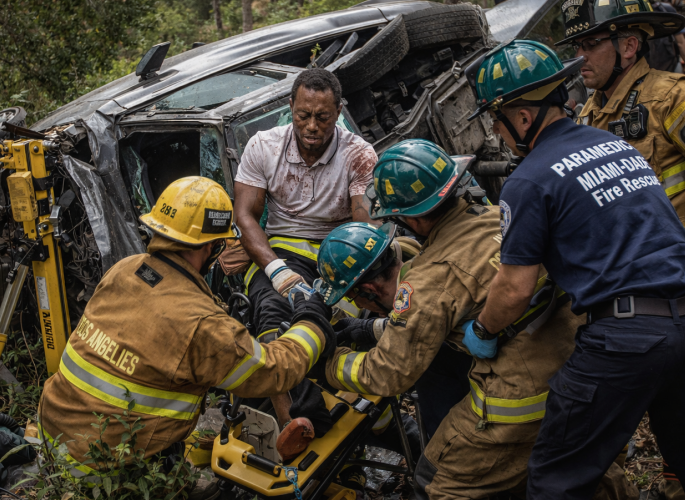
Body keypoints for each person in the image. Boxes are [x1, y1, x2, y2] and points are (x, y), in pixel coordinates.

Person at [466, 40, 685, 499]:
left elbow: (515, 289)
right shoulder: (615, 145)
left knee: (557, 480)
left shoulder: (528, 180)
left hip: (628, 340)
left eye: (496, 121)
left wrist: (483, 329)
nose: (496, 133)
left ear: (522, 117)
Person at [318, 138, 638, 500]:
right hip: (589, 364)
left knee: (435, 481)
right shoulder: (500, 216)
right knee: (584, 468)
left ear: (413, 218)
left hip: (527, 396)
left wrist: (329, 364)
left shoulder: (430, 277)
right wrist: (369, 328)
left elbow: (389, 372)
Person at [38, 177, 335, 482]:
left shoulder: (125, 268)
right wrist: (312, 320)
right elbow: (274, 371)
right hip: (105, 472)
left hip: (51, 434)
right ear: (212, 246)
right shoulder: (202, 325)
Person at [564, 0, 685, 364]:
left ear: (628, 46)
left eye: (590, 45)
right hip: (625, 302)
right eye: (576, 47)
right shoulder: (589, 114)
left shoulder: (678, 99)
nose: (579, 58)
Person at [232, 68, 376, 436]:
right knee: (271, 315)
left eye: (323, 117)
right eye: (303, 115)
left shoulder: (358, 155)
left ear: (338, 111)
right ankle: (296, 424)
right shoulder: (263, 146)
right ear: (290, 107)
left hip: (337, 256)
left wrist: (346, 281)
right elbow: (244, 217)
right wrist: (278, 272)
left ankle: (345, 417)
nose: (312, 126)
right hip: (279, 253)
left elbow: (365, 227)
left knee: (324, 325)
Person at [649, 0, 685, 75]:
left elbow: (681, 42)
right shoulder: (667, 9)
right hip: (667, 68)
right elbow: (681, 42)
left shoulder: (666, 10)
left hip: (645, 69)